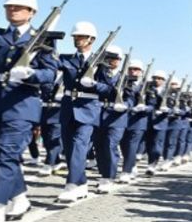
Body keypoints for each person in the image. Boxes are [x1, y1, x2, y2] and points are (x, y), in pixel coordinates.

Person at [0, 0, 58, 222]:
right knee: (2, 153)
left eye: (19, 7)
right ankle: (20, 199)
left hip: (22, 104)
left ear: (32, 12)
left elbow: (50, 73)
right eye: (9, 6)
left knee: (7, 155)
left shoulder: (44, 39)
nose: (13, 10)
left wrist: (32, 74)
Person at [57, 21, 116, 203]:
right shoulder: (66, 59)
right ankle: (82, 183)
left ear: (91, 39)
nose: (77, 39)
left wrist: (95, 85)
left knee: (79, 145)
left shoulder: (101, 64)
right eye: (75, 37)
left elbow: (110, 90)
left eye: (81, 37)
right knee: (68, 149)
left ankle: (72, 185)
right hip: (68, 107)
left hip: (89, 109)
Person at [92, 45, 131, 193]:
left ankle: (109, 177)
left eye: (114, 58)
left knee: (110, 145)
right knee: (99, 145)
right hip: (99, 113)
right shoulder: (98, 73)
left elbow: (131, 98)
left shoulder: (125, 78)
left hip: (117, 117)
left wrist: (125, 105)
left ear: (120, 60)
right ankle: (103, 174)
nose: (110, 60)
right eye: (108, 57)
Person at [119, 59, 152, 183]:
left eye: (136, 70)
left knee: (132, 146)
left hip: (139, 120)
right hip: (123, 118)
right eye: (131, 69)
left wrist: (145, 107)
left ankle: (126, 171)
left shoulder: (147, 86)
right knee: (123, 145)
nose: (133, 72)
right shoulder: (122, 82)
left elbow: (153, 105)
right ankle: (131, 165)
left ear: (141, 72)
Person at [144, 70, 169, 176]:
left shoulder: (168, 92)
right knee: (149, 144)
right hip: (148, 120)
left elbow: (173, 107)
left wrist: (167, 110)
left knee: (157, 146)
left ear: (163, 81)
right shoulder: (148, 90)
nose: (157, 80)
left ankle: (153, 164)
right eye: (155, 78)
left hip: (161, 122)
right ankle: (150, 163)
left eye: (159, 78)